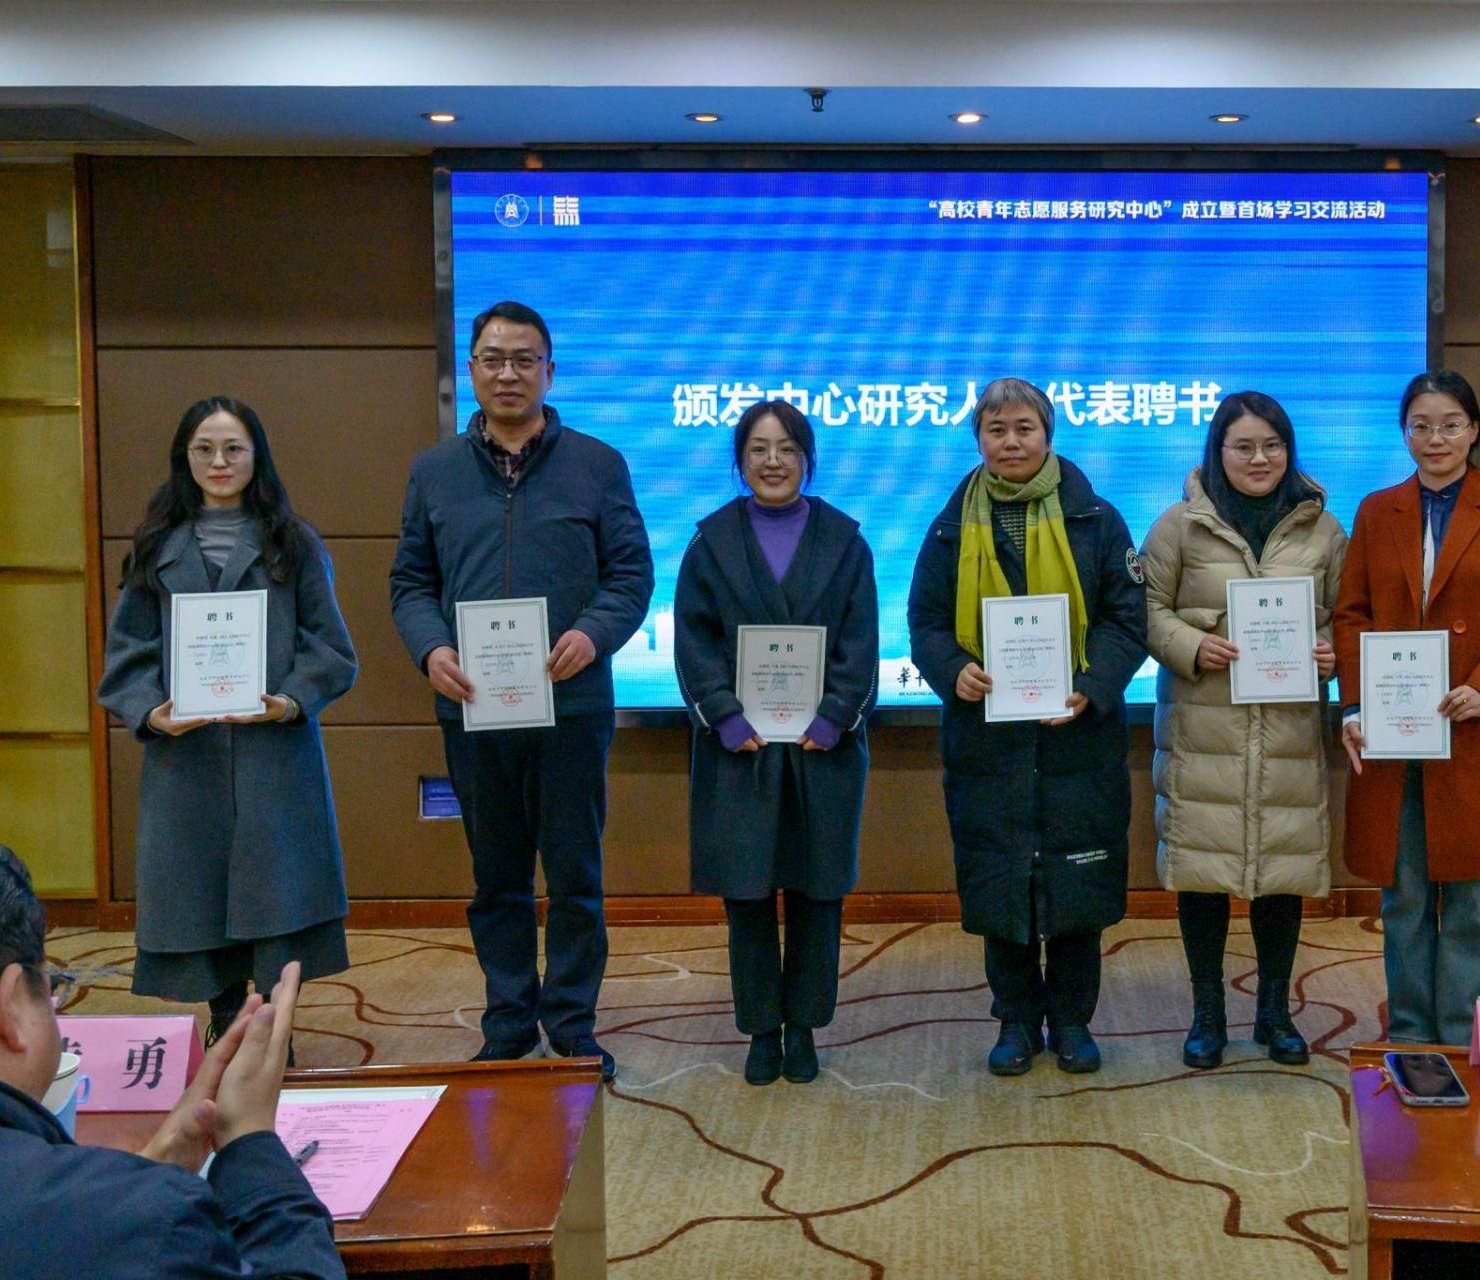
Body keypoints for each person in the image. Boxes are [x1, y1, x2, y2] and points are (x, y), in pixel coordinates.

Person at [390, 301, 654, 1081]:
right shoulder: (433, 471)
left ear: (549, 371)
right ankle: (507, 1022)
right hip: (473, 708)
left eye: (524, 359)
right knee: (496, 878)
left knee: (575, 876)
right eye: (494, 359)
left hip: (572, 706)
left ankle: (571, 1024)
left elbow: (631, 575)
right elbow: (411, 582)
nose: (509, 373)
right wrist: (431, 647)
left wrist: (593, 633)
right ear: (472, 370)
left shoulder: (598, 464)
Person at [98, 396, 358, 1053]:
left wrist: (290, 700)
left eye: (233, 448)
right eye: (204, 449)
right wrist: (150, 711)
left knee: (278, 896)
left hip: (275, 755)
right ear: (184, 458)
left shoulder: (295, 543)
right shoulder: (156, 545)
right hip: (187, 758)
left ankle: (272, 1028)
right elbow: (127, 654)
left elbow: (330, 649)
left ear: (256, 456)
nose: (219, 461)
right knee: (200, 896)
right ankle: (225, 1016)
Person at [908, 377, 1148, 1076]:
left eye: (1024, 429)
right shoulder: (951, 527)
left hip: (1077, 735)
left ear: (1048, 435)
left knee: (1076, 883)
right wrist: (953, 669)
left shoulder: (1096, 519)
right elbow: (925, 621)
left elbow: (1126, 619)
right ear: (978, 439)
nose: (1011, 443)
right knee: (1001, 878)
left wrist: (1091, 686)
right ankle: (1015, 1020)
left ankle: (1072, 1021)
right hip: (988, 740)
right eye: (996, 430)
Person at [0, 836, 343, 1280]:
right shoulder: (148, 1220)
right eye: (51, 984)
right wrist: (251, 1146)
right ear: (9, 1006)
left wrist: (142, 1174)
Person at [1334, 371, 1480, 1046]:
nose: (1436, 439)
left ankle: (1462, 1036)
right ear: (1404, 433)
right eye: (1421, 426)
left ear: (1474, 429)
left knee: (1473, 901)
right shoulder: (1378, 510)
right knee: (1403, 896)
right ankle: (1408, 1031)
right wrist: (1355, 704)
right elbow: (1351, 614)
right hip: (1395, 732)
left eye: (1450, 424)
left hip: (1476, 727)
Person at [674, 401, 878, 1086]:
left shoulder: (845, 542)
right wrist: (726, 717)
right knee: (748, 893)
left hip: (823, 748)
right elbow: (694, 643)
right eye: (758, 449)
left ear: (807, 459)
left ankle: (805, 1027)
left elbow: (860, 643)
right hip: (743, 750)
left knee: (818, 895)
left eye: (787, 448)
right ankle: (762, 1028)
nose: (772, 461)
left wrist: (834, 717)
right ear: (740, 461)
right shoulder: (710, 543)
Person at [1142, 392, 1348, 1069]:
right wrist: (1191, 645)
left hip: (1287, 731)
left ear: (1288, 449)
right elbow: (1146, 609)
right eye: (1243, 446)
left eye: (1272, 445)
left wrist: (1332, 652)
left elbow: (1346, 614)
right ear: (1218, 452)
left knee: (1282, 875)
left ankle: (1274, 1012)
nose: (1259, 458)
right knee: (1203, 876)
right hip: (1204, 728)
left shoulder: (1323, 530)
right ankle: (1207, 1013)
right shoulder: (1179, 526)